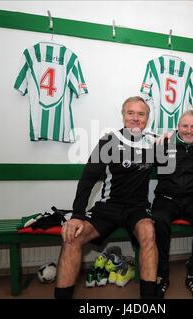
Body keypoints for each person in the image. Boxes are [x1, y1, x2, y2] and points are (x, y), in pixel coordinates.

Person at [54, 96, 161, 299]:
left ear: (147, 118)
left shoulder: (154, 142)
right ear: (123, 116)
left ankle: (148, 301)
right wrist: (77, 215)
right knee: (72, 237)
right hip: (108, 207)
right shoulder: (108, 141)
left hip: (137, 208)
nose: (136, 118)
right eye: (131, 113)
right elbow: (88, 178)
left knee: (148, 232)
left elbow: (179, 155)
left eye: (141, 114)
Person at [152, 110, 193, 299]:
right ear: (177, 127)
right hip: (167, 198)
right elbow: (140, 148)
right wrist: (164, 136)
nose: (189, 130)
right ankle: (161, 275)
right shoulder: (163, 144)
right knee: (158, 220)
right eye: (184, 126)